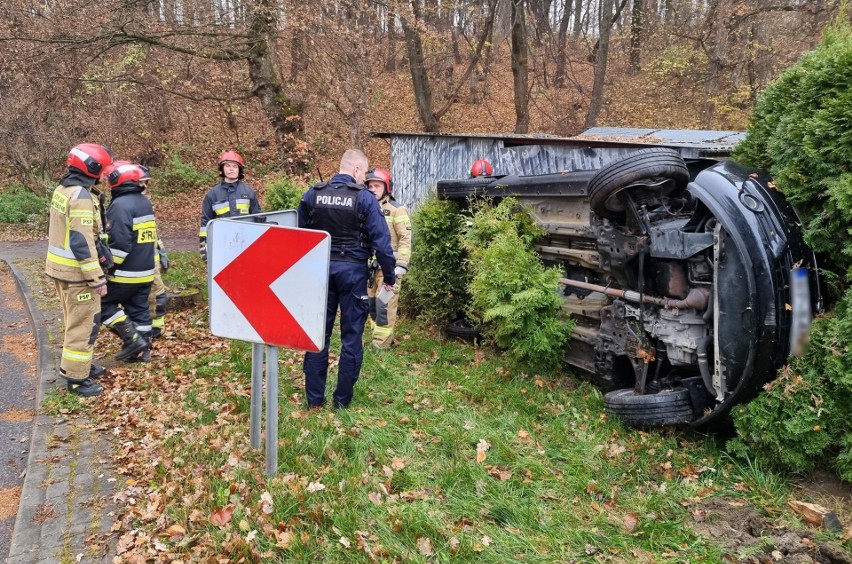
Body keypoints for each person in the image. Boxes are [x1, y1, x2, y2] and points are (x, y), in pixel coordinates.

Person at [297, 149, 397, 409]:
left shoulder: (313, 194)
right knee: (351, 338)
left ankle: (314, 401)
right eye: (363, 173)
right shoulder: (364, 199)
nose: (364, 179)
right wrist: (389, 276)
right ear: (354, 170)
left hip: (319, 272)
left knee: (318, 336)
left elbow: (297, 236)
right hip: (353, 273)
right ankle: (341, 402)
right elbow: (382, 243)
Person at [45, 143, 114, 396]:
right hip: (78, 276)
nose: (105, 175)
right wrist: (96, 278)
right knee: (84, 324)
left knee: (75, 322)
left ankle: (79, 366)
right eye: (103, 169)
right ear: (92, 167)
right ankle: (76, 379)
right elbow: (81, 241)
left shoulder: (64, 189)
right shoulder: (82, 197)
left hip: (61, 271)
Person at [100, 162, 156, 362]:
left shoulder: (120, 206)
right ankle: (144, 350)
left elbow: (120, 244)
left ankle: (132, 340)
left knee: (102, 305)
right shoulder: (144, 202)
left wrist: (107, 267)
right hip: (146, 271)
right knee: (139, 310)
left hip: (125, 274)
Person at [365, 167, 411, 349]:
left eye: (377, 185)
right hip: (370, 268)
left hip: (389, 269)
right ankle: (381, 339)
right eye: (370, 186)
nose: (373, 189)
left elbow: (406, 239)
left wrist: (401, 265)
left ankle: (380, 346)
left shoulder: (396, 210)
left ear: (387, 188)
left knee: (384, 307)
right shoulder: (367, 207)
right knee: (372, 306)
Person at [198, 150, 261, 261]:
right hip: (222, 243)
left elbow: (258, 218)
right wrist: (204, 244)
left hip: (245, 242)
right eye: (227, 166)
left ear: (239, 170)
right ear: (222, 169)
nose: (231, 169)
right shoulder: (212, 194)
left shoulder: (249, 192)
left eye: (234, 166)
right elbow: (205, 221)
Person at [139, 166, 169, 341]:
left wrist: (161, 249)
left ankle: (156, 328)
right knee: (155, 294)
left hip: (153, 258)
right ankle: (149, 329)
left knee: (157, 294)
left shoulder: (145, 202)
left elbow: (152, 231)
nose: (145, 185)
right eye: (141, 182)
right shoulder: (132, 203)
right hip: (143, 261)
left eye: (146, 182)